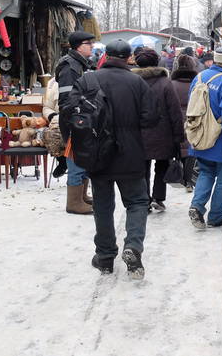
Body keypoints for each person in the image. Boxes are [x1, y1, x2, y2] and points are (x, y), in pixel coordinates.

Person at [71, 39, 158, 277]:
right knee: (138, 202)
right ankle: (133, 247)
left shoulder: (88, 80)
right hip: (130, 153)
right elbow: (151, 118)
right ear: (129, 57)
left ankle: (105, 256)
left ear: (106, 55)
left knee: (102, 205)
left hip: (98, 152)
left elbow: (71, 112)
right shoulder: (137, 82)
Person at [188, 46, 222, 229]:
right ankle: (216, 216)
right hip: (221, 137)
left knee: (205, 172)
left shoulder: (199, 77)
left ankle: (197, 206)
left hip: (201, 136)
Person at [132, 48, 184, 212]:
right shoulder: (165, 83)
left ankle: (144, 199)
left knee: (142, 168)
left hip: (139, 133)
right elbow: (175, 111)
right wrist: (179, 135)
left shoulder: (132, 83)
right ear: (157, 62)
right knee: (162, 165)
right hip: (163, 133)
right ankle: (158, 197)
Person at [56, 30, 96, 215]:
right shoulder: (70, 66)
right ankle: (73, 202)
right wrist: (77, 118)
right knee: (76, 160)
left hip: (85, 118)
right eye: (89, 43)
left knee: (84, 158)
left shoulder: (82, 64)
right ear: (79, 46)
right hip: (75, 121)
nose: (92, 46)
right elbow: (66, 100)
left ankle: (81, 197)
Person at [170, 54, 199, 192]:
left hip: (176, 119)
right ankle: (189, 180)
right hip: (193, 119)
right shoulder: (197, 83)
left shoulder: (172, 84)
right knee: (190, 150)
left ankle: (181, 176)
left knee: (179, 149)